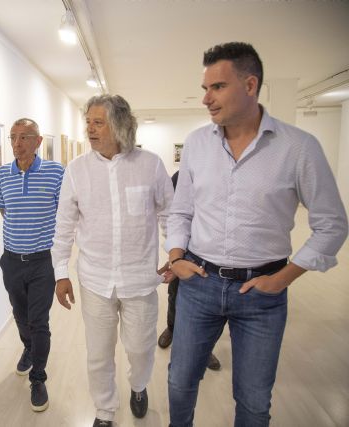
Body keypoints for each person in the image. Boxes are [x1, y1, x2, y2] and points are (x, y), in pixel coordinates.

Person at [165, 42, 348, 427]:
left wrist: (282, 279)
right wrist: (176, 258)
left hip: (262, 295)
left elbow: (332, 224)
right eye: (205, 88)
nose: (206, 99)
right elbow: (181, 210)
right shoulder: (198, 143)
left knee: (252, 401)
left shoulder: (298, 148)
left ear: (250, 85)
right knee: (180, 382)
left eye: (217, 87)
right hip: (199, 284)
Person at [52, 95, 174, 427]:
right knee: (98, 354)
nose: (90, 129)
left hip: (140, 279)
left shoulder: (150, 165)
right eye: (88, 122)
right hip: (94, 279)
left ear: (119, 125)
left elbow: (169, 213)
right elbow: (64, 225)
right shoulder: (77, 170)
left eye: (98, 122)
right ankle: (105, 411)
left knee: (140, 348)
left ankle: (138, 386)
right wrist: (60, 272)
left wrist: (175, 253)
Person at [0, 117, 65, 412]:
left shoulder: (55, 173)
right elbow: (4, 211)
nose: (16, 144)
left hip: (41, 263)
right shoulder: (1, 175)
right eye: (13, 137)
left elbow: (66, 213)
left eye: (24, 137)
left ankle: (38, 377)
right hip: (11, 261)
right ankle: (28, 348)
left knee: (39, 322)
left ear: (38, 142)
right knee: (20, 316)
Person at [158, 171, 221, 372]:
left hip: (211, 256)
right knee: (175, 295)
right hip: (184, 251)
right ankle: (172, 329)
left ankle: (205, 347)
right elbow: (173, 215)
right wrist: (175, 257)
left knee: (212, 308)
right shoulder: (180, 176)